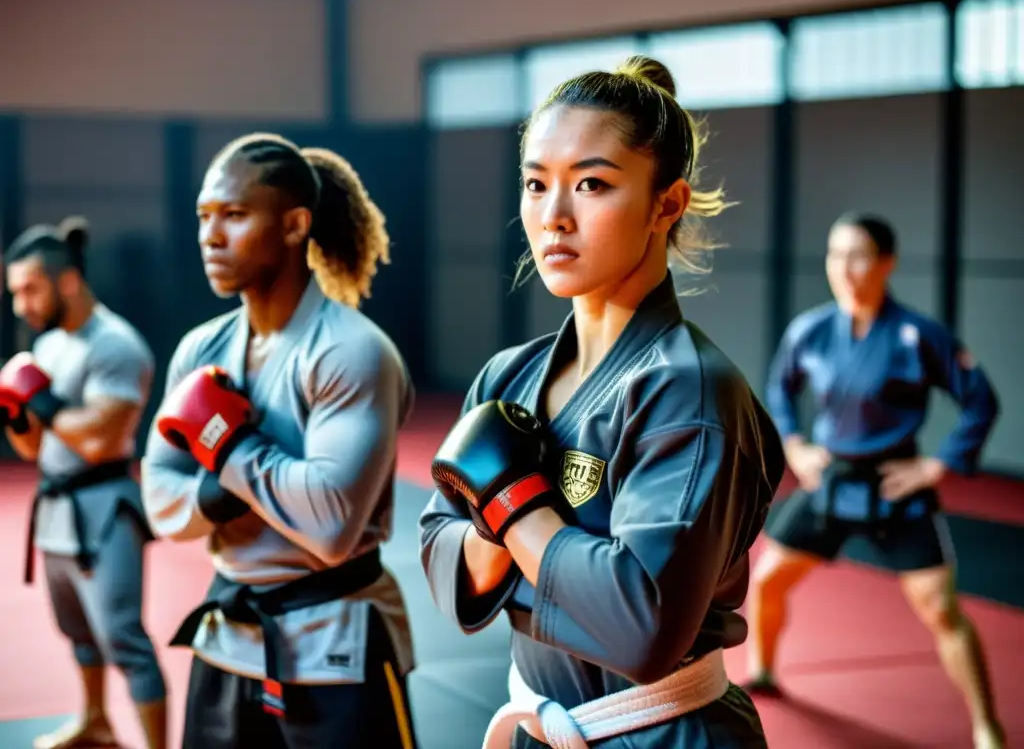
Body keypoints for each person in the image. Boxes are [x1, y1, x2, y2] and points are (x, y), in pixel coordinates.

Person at [419, 55, 786, 748]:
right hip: (541, 724)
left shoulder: (688, 388)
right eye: (536, 184)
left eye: (591, 184)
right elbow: (445, 571)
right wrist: (513, 536)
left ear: (666, 204)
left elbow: (641, 625)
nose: (554, 217)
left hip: (663, 732)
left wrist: (512, 509)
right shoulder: (507, 376)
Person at [140, 132, 416, 749]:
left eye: (234, 216)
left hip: (335, 640)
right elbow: (160, 499)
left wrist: (229, 447)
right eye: (204, 218)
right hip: (229, 636)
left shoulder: (353, 351)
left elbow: (330, 526)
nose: (211, 236)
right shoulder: (201, 348)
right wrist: (225, 493)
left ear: (294, 225)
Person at [745, 213, 1005, 749]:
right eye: (835, 254)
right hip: (830, 482)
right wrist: (795, 445)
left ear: (887, 263)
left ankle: (987, 726)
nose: (845, 268)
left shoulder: (918, 335)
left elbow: (980, 399)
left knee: (941, 608)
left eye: (859, 255)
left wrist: (937, 466)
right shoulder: (810, 330)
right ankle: (764, 669)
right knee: (768, 580)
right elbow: (778, 390)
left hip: (895, 485)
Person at [0, 217, 168, 749]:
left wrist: (41, 404)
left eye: (30, 289)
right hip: (55, 507)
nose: (20, 305)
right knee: (78, 632)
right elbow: (32, 449)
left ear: (67, 280)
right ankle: (96, 721)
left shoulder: (115, 345)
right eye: (14, 293)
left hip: (105, 509)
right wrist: (16, 413)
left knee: (125, 638)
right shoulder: (48, 347)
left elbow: (100, 438)